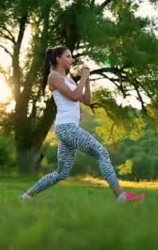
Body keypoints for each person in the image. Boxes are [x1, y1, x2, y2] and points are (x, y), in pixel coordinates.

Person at [21, 47, 145, 202]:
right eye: (68, 56)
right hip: (67, 127)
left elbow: (86, 100)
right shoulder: (53, 76)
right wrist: (83, 78)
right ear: (58, 59)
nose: (72, 60)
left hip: (68, 128)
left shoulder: (69, 79)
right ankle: (120, 195)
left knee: (62, 173)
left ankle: (26, 196)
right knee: (102, 153)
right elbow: (74, 96)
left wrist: (86, 80)